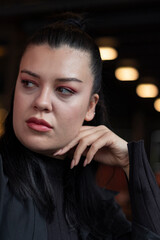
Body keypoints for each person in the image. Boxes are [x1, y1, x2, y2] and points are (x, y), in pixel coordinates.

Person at [0, 12, 160, 240]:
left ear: (90, 106)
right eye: (29, 83)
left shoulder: (99, 211)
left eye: (64, 89)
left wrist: (130, 162)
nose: (41, 102)